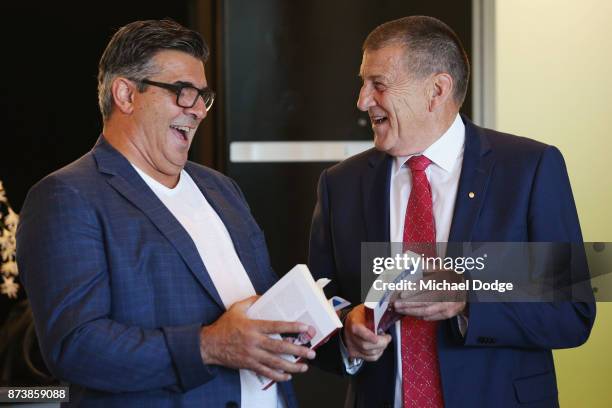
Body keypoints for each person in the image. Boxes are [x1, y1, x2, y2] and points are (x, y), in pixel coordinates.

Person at [16, 19, 315, 407]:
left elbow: (267, 306)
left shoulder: (221, 189)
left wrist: (339, 326)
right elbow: (76, 346)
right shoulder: (66, 196)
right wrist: (208, 346)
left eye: (202, 96)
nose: (198, 111)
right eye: (182, 92)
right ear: (125, 94)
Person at [308, 15, 595, 408]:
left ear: (436, 90)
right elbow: (320, 312)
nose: (362, 100)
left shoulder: (529, 167)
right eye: (363, 83)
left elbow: (573, 313)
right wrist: (347, 334)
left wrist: (467, 297)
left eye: (378, 84)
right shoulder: (341, 183)